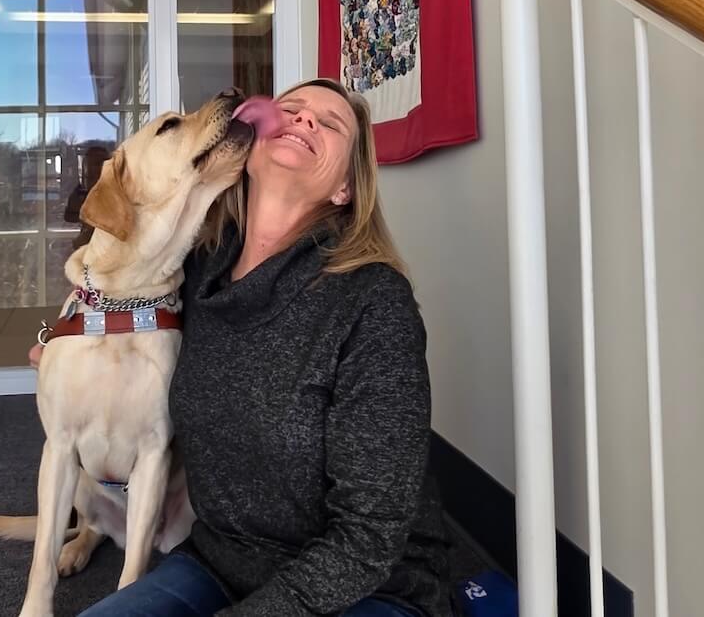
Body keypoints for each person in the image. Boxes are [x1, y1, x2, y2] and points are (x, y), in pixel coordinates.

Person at [34, 79, 452, 616]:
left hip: (365, 586)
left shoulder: (373, 303)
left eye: (329, 124)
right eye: (292, 109)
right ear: (250, 152)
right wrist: (70, 341)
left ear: (345, 188)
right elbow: (116, 282)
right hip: (220, 561)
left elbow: (369, 539)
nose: (303, 120)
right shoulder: (195, 273)